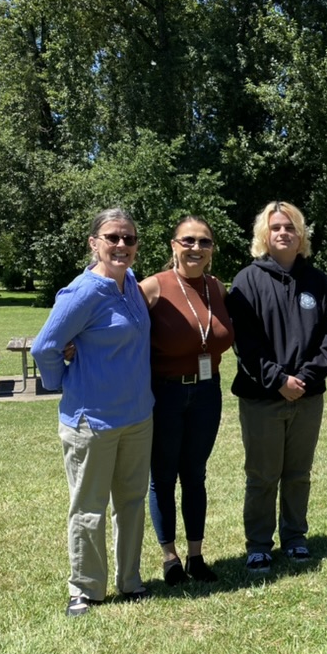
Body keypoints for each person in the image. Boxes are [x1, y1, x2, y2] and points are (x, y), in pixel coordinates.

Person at [31, 208, 154, 616]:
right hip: (91, 422)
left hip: (137, 416)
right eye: (112, 237)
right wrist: (61, 380)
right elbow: (45, 346)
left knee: (132, 502)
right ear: (94, 243)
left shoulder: (131, 283)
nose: (121, 245)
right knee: (88, 508)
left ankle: (131, 580)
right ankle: (85, 589)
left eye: (129, 239)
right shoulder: (82, 292)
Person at [225, 201, 327, 574]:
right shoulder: (247, 280)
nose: (283, 233)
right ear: (265, 234)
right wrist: (277, 380)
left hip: (307, 398)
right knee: (262, 475)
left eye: (290, 227)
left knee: (298, 474)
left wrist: (305, 379)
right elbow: (243, 342)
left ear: (300, 235)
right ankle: (259, 544)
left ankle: (295, 539)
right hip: (262, 397)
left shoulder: (319, 282)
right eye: (276, 227)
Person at [139, 217, 234, 586]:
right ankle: (169, 558)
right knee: (162, 477)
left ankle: (196, 557)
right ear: (173, 245)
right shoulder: (152, 288)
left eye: (205, 242)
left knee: (195, 475)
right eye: (188, 241)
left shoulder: (217, 287)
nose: (196, 248)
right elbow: (117, 328)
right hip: (165, 393)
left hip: (208, 393)